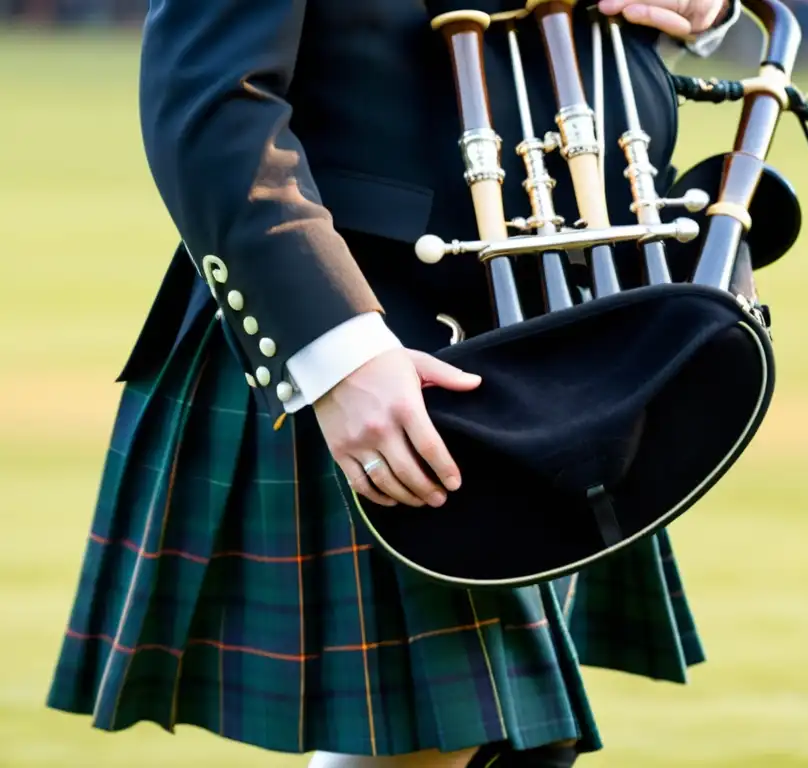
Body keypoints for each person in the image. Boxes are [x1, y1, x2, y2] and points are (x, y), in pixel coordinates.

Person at [45, 0, 741, 765]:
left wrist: (702, 8)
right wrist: (335, 351)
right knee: (438, 743)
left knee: (521, 749)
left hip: (568, 299)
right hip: (374, 323)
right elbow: (209, 98)